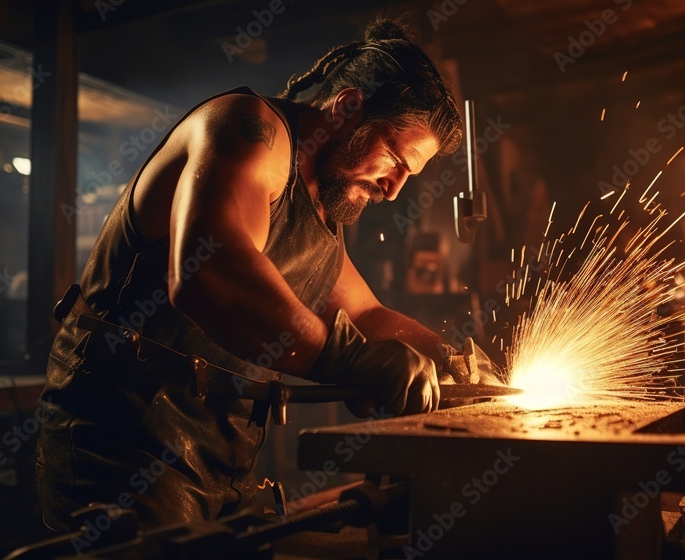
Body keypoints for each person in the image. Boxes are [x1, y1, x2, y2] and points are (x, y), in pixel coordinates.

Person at [36, 18, 492, 532]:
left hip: (219, 463)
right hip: (119, 447)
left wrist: (462, 369)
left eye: (409, 175)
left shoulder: (317, 211)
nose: (393, 190)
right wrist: (350, 360)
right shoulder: (248, 132)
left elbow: (364, 313)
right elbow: (207, 271)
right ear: (346, 108)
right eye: (394, 160)